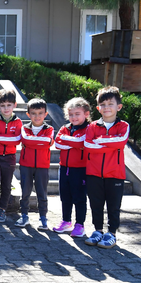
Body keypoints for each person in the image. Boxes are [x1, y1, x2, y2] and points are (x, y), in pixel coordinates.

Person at [84, 86, 129, 249]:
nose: (106, 107)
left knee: (113, 205)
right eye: (102, 104)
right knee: (96, 204)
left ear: (119, 107)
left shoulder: (123, 126)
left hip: (115, 174)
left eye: (110, 103)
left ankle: (111, 233)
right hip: (93, 173)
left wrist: (99, 140)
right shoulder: (92, 127)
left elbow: (120, 142)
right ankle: (98, 230)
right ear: (98, 108)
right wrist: (110, 142)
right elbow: (88, 145)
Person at [53, 97, 91, 237]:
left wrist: (71, 142)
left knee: (79, 198)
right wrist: (75, 144)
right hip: (64, 168)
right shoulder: (65, 128)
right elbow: (57, 143)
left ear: (86, 114)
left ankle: (80, 225)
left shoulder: (89, 128)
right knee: (65, 196)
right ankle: (66, 222)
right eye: (70, 114)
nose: (73, 117)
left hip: (80, 170)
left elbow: (83, 142)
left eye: (77, 114)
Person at [15, 98, 54, 230]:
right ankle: (24, 215)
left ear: (45, 114)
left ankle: (43, 218)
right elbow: (26, 140)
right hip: (26, 165)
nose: (37, 116)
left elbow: (47, 142)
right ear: (28, 114)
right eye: (33, 113)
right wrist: (38, 141)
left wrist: (34, 141)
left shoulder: (50, 129)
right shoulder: (24, 128)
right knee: (25, 192)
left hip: (42, 166)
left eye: (40, 113)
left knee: (42, 193)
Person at [0, 89, 22, 222]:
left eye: (9, 105)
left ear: (15, 105)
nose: (6, 108)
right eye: (2, 105)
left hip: (10, 156)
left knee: (6, 185)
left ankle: (1, 210)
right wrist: (7, 138)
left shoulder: (18, 122)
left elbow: (17, 140)